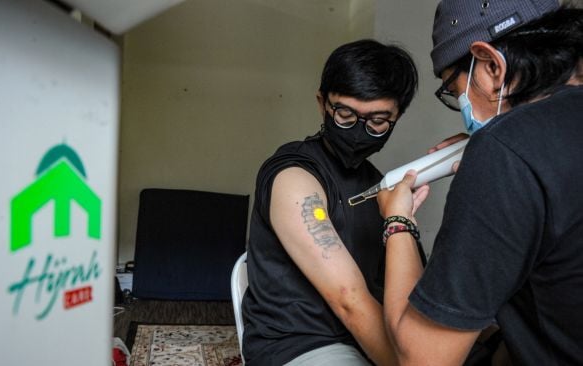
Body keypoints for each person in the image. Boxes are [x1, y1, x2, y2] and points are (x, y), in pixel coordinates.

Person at [377, 1, 583, 365]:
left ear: (490, 66)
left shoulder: (503, 154)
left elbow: (424, 358)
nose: (459, 103)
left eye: (452, 89)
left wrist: (399, 223)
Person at [241, 39, 418, 365]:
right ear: (323, 103)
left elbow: (411, 293)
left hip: (369, 333)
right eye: (345, 114)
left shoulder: (380, 185)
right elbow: (348, 300)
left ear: (397, 117)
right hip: (302, 344)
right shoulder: (293, 176)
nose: (359, 130)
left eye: (377, 121)